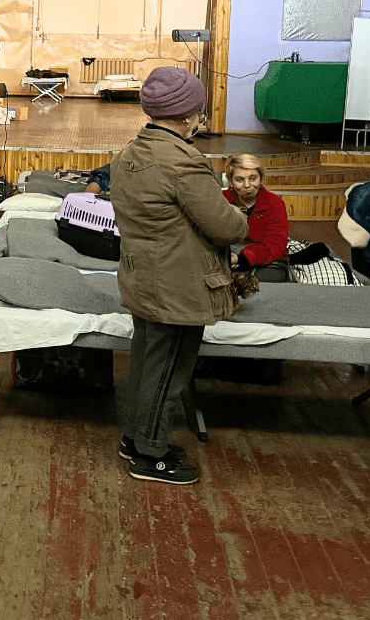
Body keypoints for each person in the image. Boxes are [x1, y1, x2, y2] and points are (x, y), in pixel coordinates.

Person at [110, 67, 248, 485]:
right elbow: (226, 227)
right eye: (198, 113)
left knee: (146, 365)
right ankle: (151, 456)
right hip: (177, 285)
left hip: (143, 278)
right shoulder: (183, 164)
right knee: (169, 371)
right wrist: (240, 216)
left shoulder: (129, 155)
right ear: (188, 115)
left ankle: (135, 439)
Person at [223, 154, 291, 282]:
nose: (247, 185)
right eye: (240, 180)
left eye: (253, 178)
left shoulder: (275, 203)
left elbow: (275, 244)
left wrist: (243, 258)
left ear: (261, 179)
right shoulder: (221, 200)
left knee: (261, 285)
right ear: (231, 182)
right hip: (228, 255)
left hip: (266, 260)